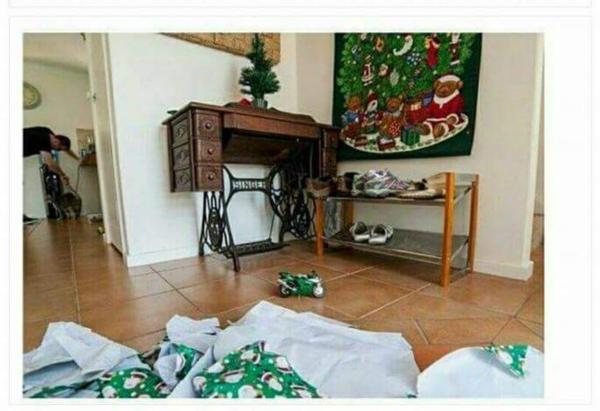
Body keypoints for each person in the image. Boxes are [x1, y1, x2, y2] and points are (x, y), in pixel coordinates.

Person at [23, 126, 78, 224]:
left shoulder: (48, 132)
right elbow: (50, 164)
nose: (56, 150)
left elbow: (67, 149)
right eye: (58, 148)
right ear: (57, 141)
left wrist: (77, 159)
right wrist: (63, 175)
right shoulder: (44, 140)